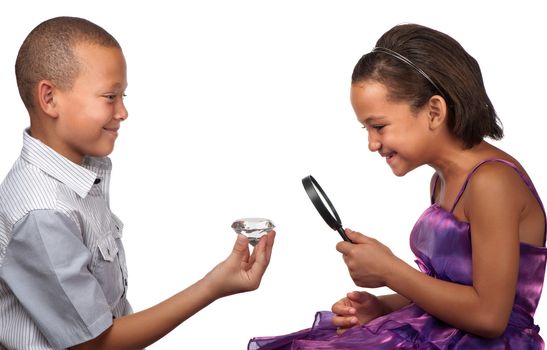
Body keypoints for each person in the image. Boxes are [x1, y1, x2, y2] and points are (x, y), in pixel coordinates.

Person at [249, 23, 546, 349]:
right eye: (365, 129)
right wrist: (382, 307)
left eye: (379, 126)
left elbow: (489, 317)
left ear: (434, 111)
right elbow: (448, 289)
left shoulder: (492, 183)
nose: (372, 144)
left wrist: (391, 270)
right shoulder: (442, 181)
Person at [0, 16, 275, 350]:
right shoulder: (43, 213)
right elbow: (95, 345)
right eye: (110, 96)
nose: (123, 112)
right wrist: (212, 286)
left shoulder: (78, 177)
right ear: (49, 98)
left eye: (123, 96)